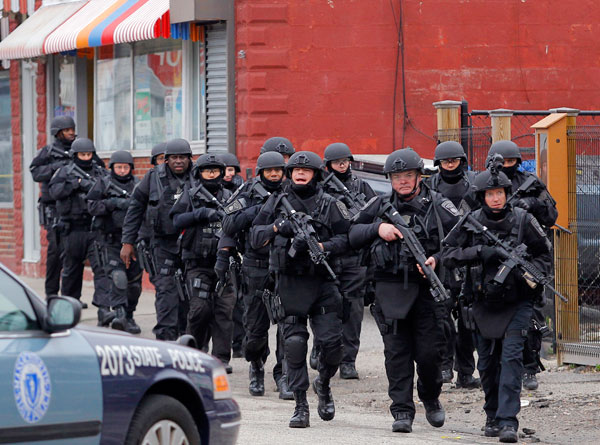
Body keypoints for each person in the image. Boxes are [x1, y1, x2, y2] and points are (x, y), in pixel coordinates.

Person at [348, 148, 458, 433]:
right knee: (396, 355)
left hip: (427, 291)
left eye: (408, 175)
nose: (403, 181)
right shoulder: (379, 206)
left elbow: (460, 240)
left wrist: (437, 259)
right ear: (390, 179)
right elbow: (351, 234)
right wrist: (378, 228)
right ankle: (401, 411)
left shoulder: (438, 205)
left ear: (419, 176)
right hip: (390, 290)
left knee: (430, 355)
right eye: (397, 177)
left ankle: (430, 397)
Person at [442, 168, 552, 443]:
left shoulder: (523, 220)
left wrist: (530, 275)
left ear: (506, 194)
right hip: (481, 303)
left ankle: (507, 421)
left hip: (517, 303)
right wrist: (480, 252)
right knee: (488, 365)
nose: (495, 198)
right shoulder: (470, 222)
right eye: (490, 194)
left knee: (512, 360)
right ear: (482, 197)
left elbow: (543, 253)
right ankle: (492, 415)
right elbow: (448, 254)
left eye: (499, 193)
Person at [250, 151, 349, 428]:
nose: (300, 173)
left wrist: (323, 247)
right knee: (293, 345)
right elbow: (255, 236)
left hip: (322, 283)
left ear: (316, 174)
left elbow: (348, 238)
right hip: (290, 283)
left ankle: (324, 383)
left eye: (306, 170)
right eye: (295, 170)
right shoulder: (276, 202)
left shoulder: (330, 203)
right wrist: (276, 227)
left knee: (331, 346)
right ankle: (300, 404)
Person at [487, 140, 558, 391]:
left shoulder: (531, 183)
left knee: (532, 314)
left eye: (510, 162)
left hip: (527, 256)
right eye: (502, 162)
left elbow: (552, 215)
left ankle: (530, 367)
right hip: (495, 257)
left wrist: (533, 205)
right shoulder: (485, 183)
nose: (506, 166)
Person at [222, 151, 292, 398]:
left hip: (286, 265)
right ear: (260, 171)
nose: (274, 174)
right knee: (255, 327)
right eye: (269, 170)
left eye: (278, 170)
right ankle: (256, 366)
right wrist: (260, 210)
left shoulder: (291, 191)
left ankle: (284, 374)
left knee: (288, 324)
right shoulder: (247, 192)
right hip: (255, 265)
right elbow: (228, 224)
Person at [121, 138, 195, 341]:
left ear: (189, 159)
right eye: (174, 158)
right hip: (162, 243)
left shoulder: (198, 176)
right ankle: (166, 339)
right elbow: (135, 209)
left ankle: (187, 337)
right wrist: (127, 242)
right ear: (166, 160)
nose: (178, 161)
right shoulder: (152, 178)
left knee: (190, 293)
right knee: (166, 290)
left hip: (192, 244)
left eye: (182, 157)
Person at [169, 153, 235, 372]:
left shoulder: (230, 196)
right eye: (207, 171)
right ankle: (192, 353)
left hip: (225, 264)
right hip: (197, 263)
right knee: (199, 310)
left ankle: (221, 358)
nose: (211, 174)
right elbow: (176, 220)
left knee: (224, 311)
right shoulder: (190, 195)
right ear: (199, 173)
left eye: (215, 171)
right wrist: (201, 214)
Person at [318, 142, 376, 380]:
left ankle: (348, 360)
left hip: (354, 257)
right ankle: (321, 351)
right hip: (329, 255)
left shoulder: (361, 186)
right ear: (328, 165)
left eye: (345, 161)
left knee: (352, 310)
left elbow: (375, 212)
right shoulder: (321, 189)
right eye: (337, 162)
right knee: (326, 308)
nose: (342, 165)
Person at [426, 141, 480, 389]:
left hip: (467, 257)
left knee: (468, 319)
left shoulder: (474, 185)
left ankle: (466, 372)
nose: (450, 164)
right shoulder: (429, 186)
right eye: (445, 161)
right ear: (438, 164)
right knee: (441, 317)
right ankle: (445, 365)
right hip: (441, 258)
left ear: (461, 161)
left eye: (454, 160)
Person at [48, 137, 109, 311]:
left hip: (95, 228)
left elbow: (108, 189)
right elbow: (55, 192)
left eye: (89, 154)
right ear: (75, 155)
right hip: (72, 229)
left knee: (102, 268)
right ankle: (69, 305)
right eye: (82, 154)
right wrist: (76, 184)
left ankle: (104, 310)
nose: (86, 157)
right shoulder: (64, 172)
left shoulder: (99, 172)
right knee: (71, 270)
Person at [87, 150, 143, 332]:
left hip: (133, 241)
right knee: (118, 278)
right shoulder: (103, 184)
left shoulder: (138, 185)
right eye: (118, 167)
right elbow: (92, 206)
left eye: (125, 167)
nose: (121, 170)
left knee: (134, 284)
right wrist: (112, 203)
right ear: (112, 167)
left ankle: (129, 315)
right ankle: (119, 317)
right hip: (110, 241)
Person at [30, 116, 75, 298]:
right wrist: (56, 168)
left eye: (72, 129)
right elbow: (35, 172)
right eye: (67, 130)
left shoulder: (78, 149)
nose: (71, 132)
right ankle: (51, 294)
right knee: (55, 253)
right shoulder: (48, 152)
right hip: (53, 209)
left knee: (73, 254)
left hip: (73, 207)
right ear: (58, 133)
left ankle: (71, 296)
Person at [218, 151, 245, 357]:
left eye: (231, 170)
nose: (228, 174)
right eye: (224, 170)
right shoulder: (212, 190)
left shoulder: (243, 190)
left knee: (241, 302)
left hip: (240, 252)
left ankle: (240, 344)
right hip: (219, 250)